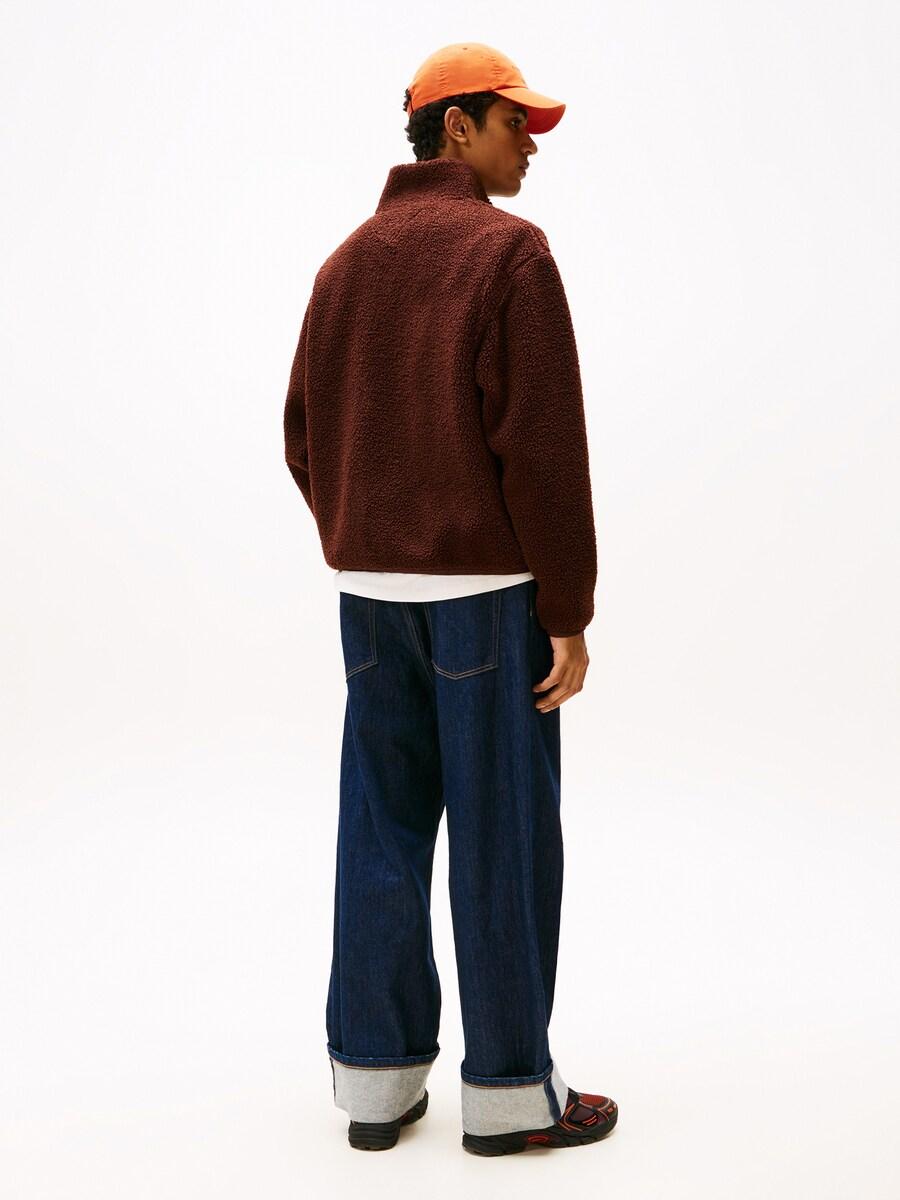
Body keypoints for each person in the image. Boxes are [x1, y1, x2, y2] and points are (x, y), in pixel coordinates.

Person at [283, 41, 618, 1156]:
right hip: (487, 601)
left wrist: (362, 536)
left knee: (380, 827)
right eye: (516, 123)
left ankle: (375, 1087)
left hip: (370, 605)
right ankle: (512, 1095)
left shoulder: (343, 265)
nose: (532, 145)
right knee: (501, 833)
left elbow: (301, 435)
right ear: (457, 127)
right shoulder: (508, 255)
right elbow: (544, 455)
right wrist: (567, 609)